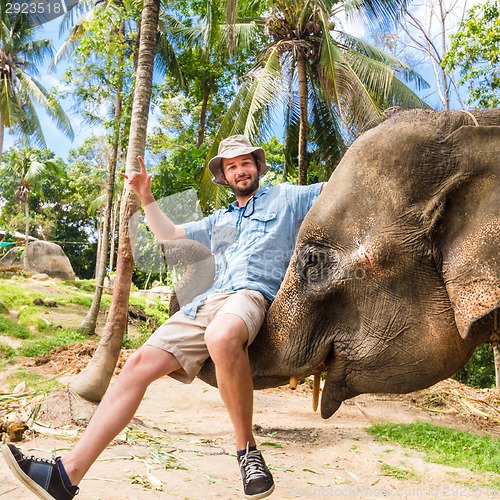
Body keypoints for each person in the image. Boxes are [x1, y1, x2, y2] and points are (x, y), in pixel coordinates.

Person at [2, 135, 323, 500]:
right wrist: (145, 196)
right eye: (231, 166)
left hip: (252, 295)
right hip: (207, 301)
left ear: (258, 166)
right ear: (224, 175)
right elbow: (167, 235)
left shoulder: (289, 197)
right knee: (137, 364)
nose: (240, 170)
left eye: (245, 162)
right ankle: (64, 476)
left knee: (220, 336)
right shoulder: (220, 219)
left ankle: (246, 452)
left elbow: (343, 187)